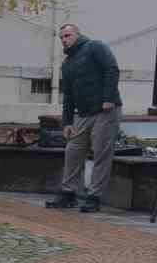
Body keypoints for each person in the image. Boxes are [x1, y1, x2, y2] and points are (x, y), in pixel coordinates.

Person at [47, 23, 122, 214]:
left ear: (78, 35)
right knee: (72, 151)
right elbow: (69, 96)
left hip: (106, 111)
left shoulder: (95, 47)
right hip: (83, 114)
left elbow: (112, 69)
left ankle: (94, 196)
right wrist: (67, 123)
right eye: (61, 37)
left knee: (101, 153)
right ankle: (68, 193)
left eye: (68, 35)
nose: (64, 39)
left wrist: (108, 98)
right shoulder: (67, 64)